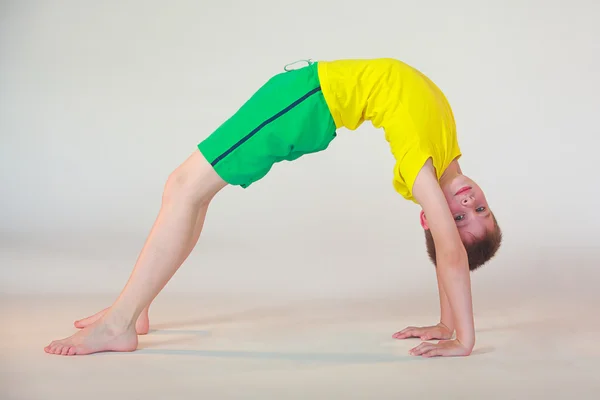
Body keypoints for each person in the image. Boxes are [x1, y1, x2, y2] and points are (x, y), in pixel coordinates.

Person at [44, 58, 502, 357]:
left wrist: (464, 338)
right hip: (304, 95)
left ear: (431, 217)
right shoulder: (446, 150)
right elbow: (450, 249)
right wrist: (445, 321)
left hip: (303, 103)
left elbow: (451, 254)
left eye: (458, 218)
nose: (468, 206)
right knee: (190, 192)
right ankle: (135, 308)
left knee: (183, 187)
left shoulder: (420, 168)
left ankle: (121, 324)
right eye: (482, 212)